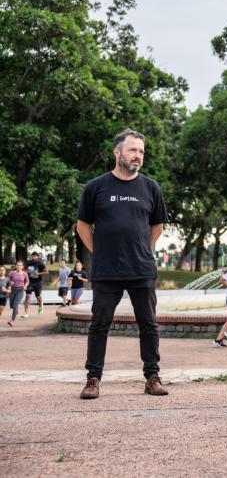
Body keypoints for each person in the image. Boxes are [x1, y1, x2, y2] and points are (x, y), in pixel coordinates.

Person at [75, 129, 169, 400]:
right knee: (99, 324)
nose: (137, 155)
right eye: (132, 150)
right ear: (117, 152)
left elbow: (157, 225)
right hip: (107, 270)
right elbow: (82, 225)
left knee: (148, 324)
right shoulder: (96, 186)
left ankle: (152, 377)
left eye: (141, 151)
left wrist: (141, 249)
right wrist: (100, 251)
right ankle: (93, 379)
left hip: (141, 269)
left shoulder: (151, 187)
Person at [24, 251, 48, 316]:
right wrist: (26, 272)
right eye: (33, 256)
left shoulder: (40, 263)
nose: (34, 257)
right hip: (30, 282)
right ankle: (26, 312)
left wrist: (38, 273)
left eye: (35, 256)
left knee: (38, 296)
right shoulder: (29, 263)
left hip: (38, 282)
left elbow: (46, 272)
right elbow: (26, 270)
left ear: (37, 256)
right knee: (27, 296)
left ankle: (40, 306)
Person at [7, 261, 29, 326]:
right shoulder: (12, 273)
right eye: (17, 265)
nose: (19, 266)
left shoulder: (25, 274)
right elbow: (7, 280)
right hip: (12, 290)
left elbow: (27, 281)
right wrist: (10, 282)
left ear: (22, 266)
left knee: (14, 305)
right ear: (15, 266)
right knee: (11, 306)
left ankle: (12, 320)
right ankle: (16, 310)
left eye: (20, 265)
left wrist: (25, 286)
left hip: (20, 290)